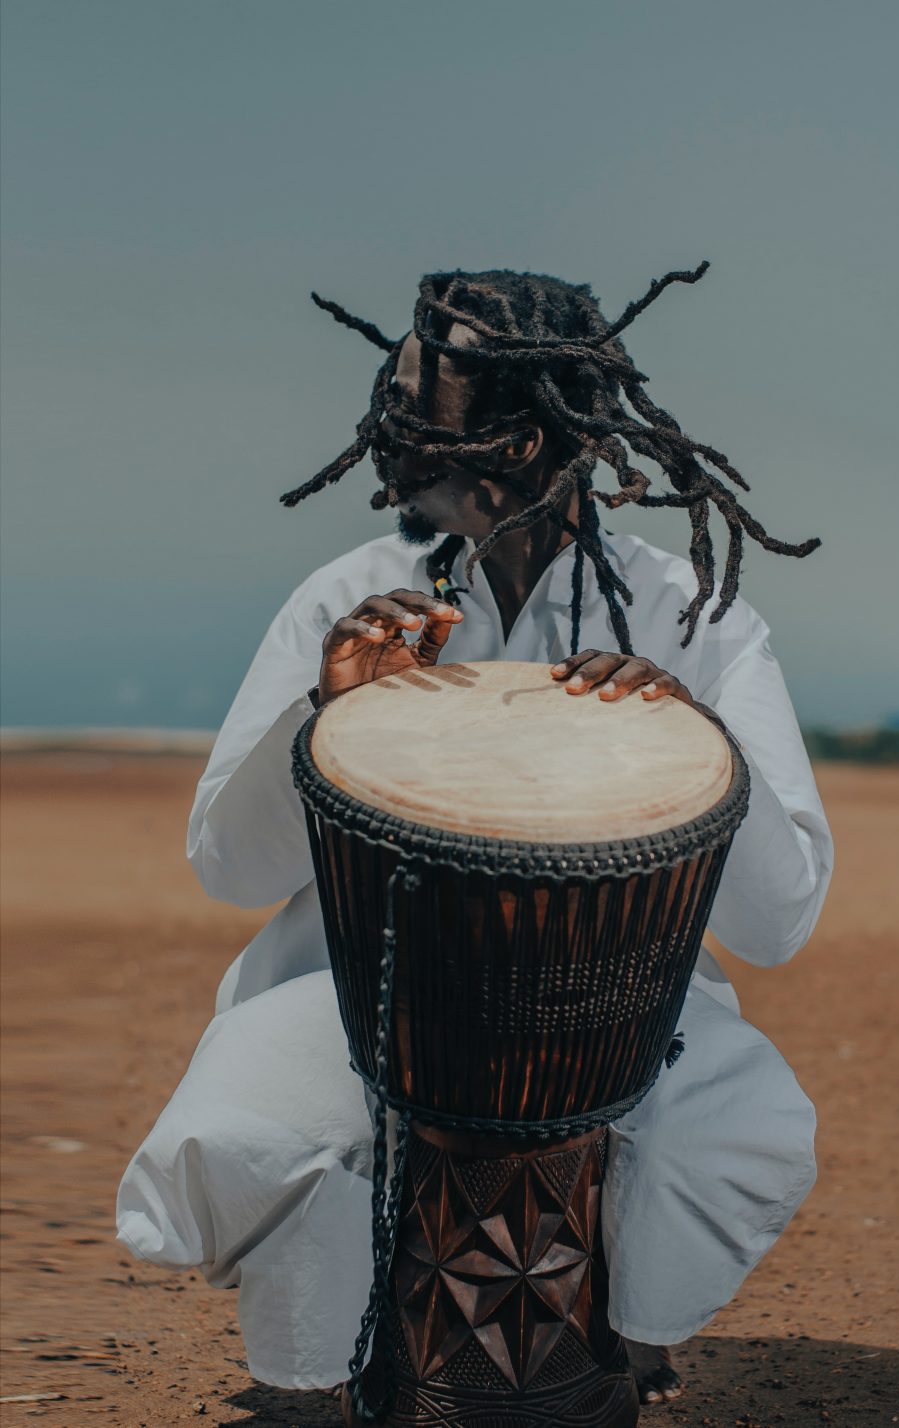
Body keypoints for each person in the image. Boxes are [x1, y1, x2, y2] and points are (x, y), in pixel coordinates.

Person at [116, 266, 833, 1410]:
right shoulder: (345, 601)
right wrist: (329, 711)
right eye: (392, 419)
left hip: (622, 1011)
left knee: (731, 1128)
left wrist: (697, 748)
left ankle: (618, 1336)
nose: (398, 453)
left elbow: (777, 924)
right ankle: (329, 1379)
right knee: (249, 1127)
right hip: (358, 993)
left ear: (542, 433)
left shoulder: (690, 617)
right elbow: (229, 866)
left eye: (431, 425)